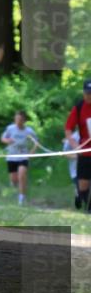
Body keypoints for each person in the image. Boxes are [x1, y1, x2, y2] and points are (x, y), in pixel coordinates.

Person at [64, 80, 91, 212]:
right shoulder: (79, 108)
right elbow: (68, 128)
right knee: (83, 185)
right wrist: (75, 145)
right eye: (87, 93)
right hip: (84, 152)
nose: (89, 96)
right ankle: (80, 196)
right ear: (83, 93)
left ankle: (89, 210)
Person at [0, 111, 37, 206]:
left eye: (20, 119)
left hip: (23, 156)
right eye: (16, 119)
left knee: (22, 175)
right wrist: (8, 140)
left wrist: (32, 152)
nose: (18, 121)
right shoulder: (10, 128)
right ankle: (16, 187)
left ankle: (21, 198)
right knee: (14, 179)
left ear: (24, 120)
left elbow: (36, 142)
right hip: (12, 156)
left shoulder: (29, 131)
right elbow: (3, 138)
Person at [66, 129, 82, 209]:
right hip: (76, 170)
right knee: (80, 190)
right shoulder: (72, 137)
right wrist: (78, 157)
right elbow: (65, 153)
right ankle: (78, 198)